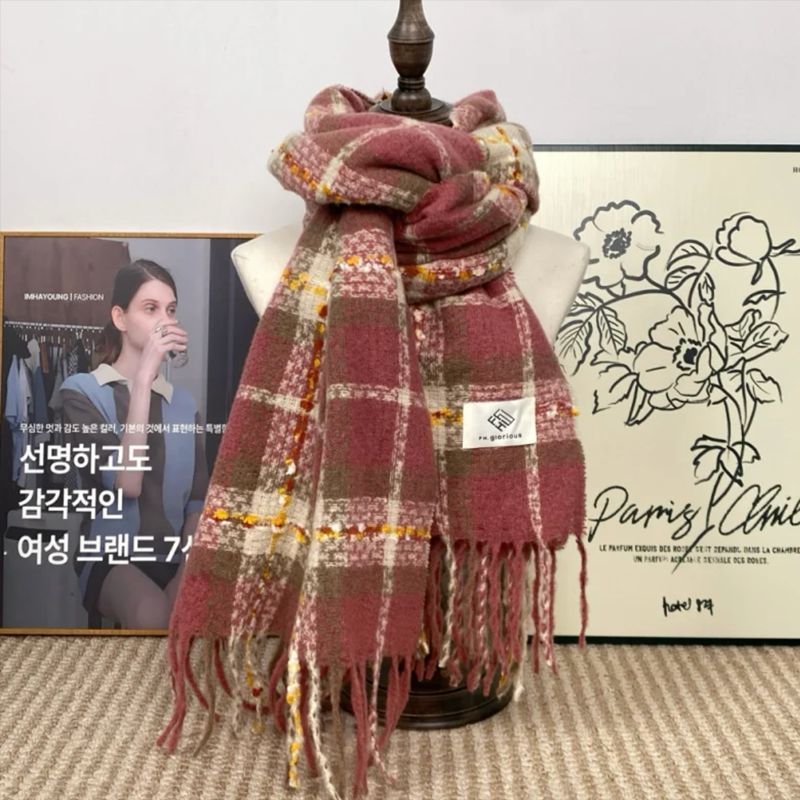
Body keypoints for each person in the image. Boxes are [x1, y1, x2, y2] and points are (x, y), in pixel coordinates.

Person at [60, 259, 209, 629]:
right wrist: (143, 380)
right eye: (150, 308)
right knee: (150, 613)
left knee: (181, 618)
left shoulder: (184, 405)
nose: (164, 321)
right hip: (110, 557)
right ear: (120, 318)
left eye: (171, 310)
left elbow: (197, 504)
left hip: (175, 558)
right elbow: (127, 483)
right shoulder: (81, 391)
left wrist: (186, 570)